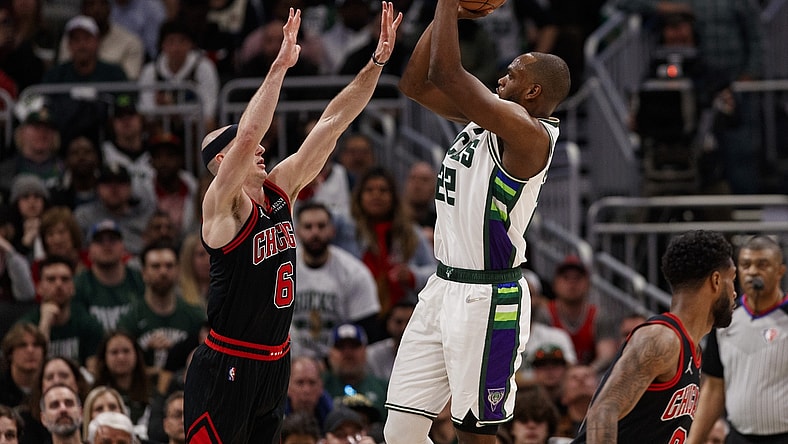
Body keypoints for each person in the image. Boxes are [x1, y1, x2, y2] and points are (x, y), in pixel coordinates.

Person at [183, 5, 402, 443]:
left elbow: (333, 122)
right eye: (245, 146)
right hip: (228, 362)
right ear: (224, 160)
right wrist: (280, 65)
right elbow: (249, 133)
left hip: (275, 362)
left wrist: (376, 62)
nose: (261, 147)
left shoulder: (281, 189)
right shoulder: (222, 207)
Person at [383, 0, 571, 442]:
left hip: (488, 297)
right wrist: (445, 18)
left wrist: (448, 4)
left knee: (474, 433)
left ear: (533, 92)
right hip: (442, 286)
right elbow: (415, 84)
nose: (501, 77)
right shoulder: (486, 120)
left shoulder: (528, 134)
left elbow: (448, 73)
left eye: (513, 74)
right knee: (401, 431)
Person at [572, 229, 736, 443]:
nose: (735, 293)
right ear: (716, 281)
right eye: (732, 280)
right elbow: (603, 410)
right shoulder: (661, 339)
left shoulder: (691, 350)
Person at [687, 235, 788, 444]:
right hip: (738, 437)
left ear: (780, 271)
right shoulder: (725, 320)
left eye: (762, 265)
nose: (753, 272)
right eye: (745, 265)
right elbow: (714, 388)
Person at [292, 201, 380, 359]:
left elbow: (366, 329)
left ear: (332, 230)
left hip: (340, 362)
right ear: (297, 232)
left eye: (321, 226)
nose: (315, 232)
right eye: (308, 227)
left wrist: (328, 363)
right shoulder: (282, 269)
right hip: (291, 361)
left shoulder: (354, 272)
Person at [117, 242, 205, 372]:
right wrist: (145, 352)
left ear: (178, 270)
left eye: (169, 266)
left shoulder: (196, 317)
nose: (163, 272)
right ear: (144, 273)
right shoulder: (129, 319)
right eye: (155, 266)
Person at [17, 255, 104, 369]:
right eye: (51, 279)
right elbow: (30, 370)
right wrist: (44, 325)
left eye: (65, 279)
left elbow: (94, 372)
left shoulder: (87, 323)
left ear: (73, 288)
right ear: (39, 288)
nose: (58, 285)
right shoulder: (26, 326)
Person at [546, 255, 617, 372]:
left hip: (590, 376)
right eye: (566, 277)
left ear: (588, 284)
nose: (572, 283)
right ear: (555, 284)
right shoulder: (546, 313)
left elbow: (607, 355)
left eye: (577, 278)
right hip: (555, 376)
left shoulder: (598, 316)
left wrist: (588, 372)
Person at [73, 219, 145, 333]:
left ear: (123, 246)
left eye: (113, 239)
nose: (106, 245)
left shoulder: (139, 280)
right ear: (89, 250)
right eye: (99, 241)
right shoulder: (79, 285)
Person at [323, 324, 388, 421]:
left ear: (365, 351)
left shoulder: (384, 389)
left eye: (354, 346)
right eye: (341, 347)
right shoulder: (320, 387)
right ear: (330, 353)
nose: (348, 353)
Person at [91, 331, 152, 429]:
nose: (121, 357)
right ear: (104, 357)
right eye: (114, 352)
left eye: (126, 351)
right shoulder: (95, 394)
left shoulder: (152, 391)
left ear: (136, 354)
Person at [365, 300, 415, 380]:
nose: (404, 328)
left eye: (409, 322)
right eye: (398, 322)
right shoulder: (372, 354)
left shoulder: (428, 352)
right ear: (388, 323)